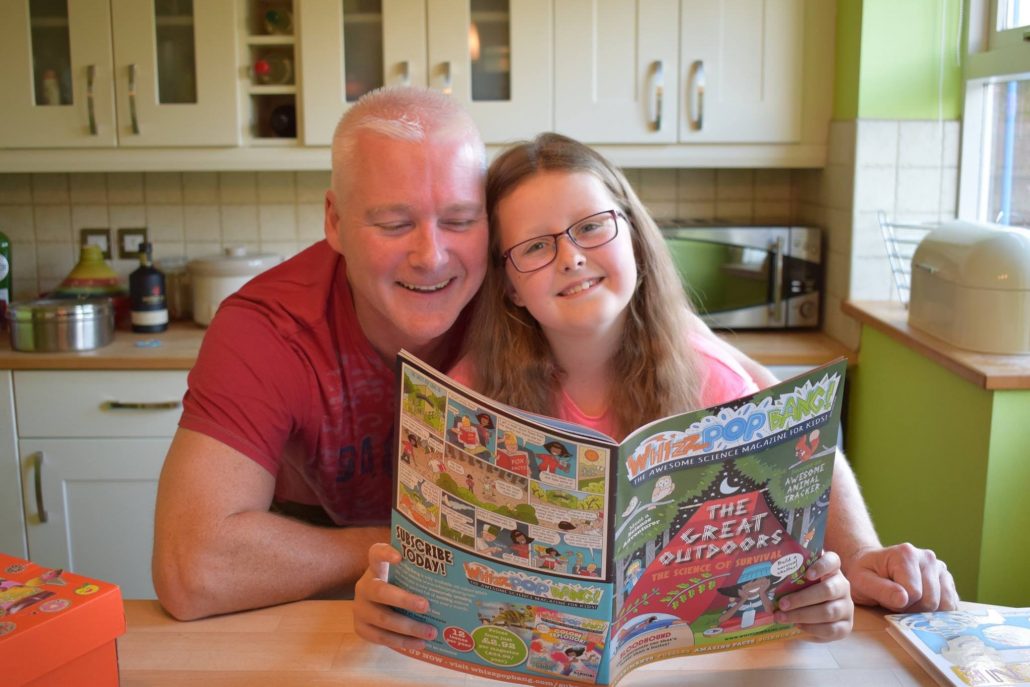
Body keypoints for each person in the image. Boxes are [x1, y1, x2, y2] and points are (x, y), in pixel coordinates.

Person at [150, 86, 953, 624]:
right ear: (333, 221)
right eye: (393, 223)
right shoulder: (267, 329)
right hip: (341, 602)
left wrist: (858, 555)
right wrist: (418, 555)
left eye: (459, 220)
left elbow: (768, 408)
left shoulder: (552, 307)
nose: (432, 257)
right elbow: (192, 570)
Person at [352, 131, 957, 651]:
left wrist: (834, 586)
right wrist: (393, 591)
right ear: (508, 285)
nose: (571, 257)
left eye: (591, 227)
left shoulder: (710, 381)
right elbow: (428, 562)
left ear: (634, 239)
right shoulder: (469, 398)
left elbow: (803, 512)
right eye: (535, 246)